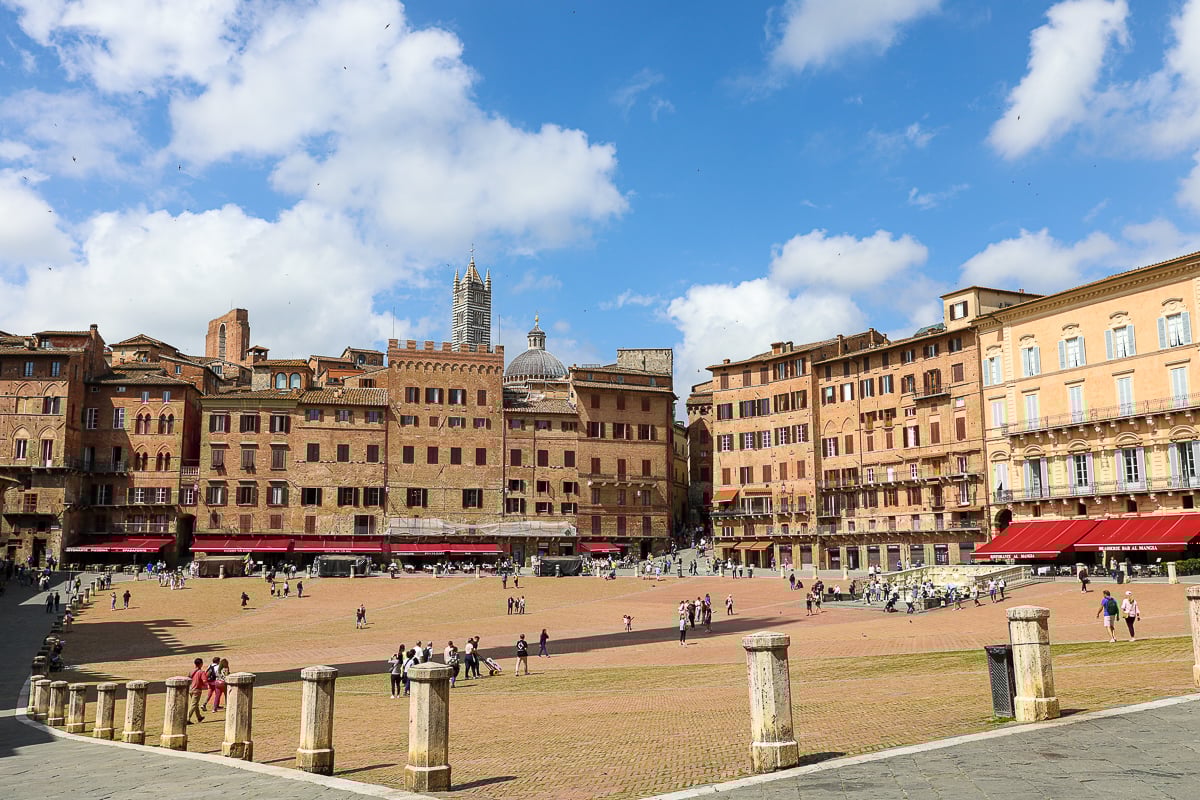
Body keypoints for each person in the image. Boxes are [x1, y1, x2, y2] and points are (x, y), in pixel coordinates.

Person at [187, 657, 208, 723]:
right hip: (197, 690)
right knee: (194, 704)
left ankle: (199, 717)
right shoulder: (201, 672)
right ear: (201, 664)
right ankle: (187, 718)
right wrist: (207, 685)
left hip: (191, 689)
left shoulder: (191, 671)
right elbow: (204, 680)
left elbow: (188, 679)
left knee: (195, 704)